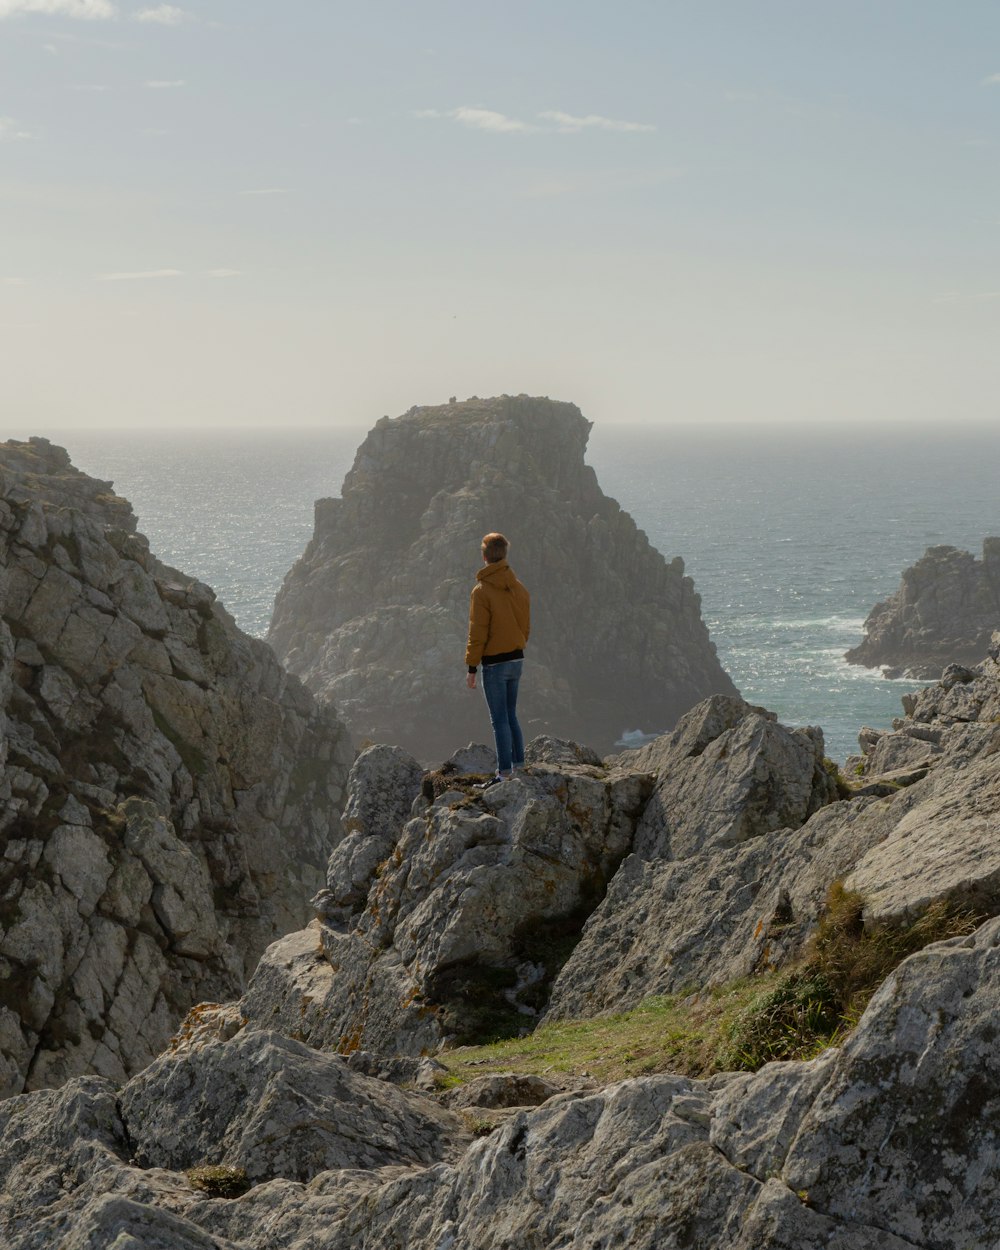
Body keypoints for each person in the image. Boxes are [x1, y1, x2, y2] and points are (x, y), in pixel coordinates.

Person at [465, 532, 530, 785]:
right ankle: (519, 765)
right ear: (504, 555)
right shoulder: (519, 588)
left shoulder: (481, 591)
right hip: (517, 660)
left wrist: (472, 666)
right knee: (511, 714)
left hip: (494, 663)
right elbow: (525, 626)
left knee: (499, 719)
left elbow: (477, 631)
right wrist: (518, 644)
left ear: (484, 557)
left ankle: (504, 773)